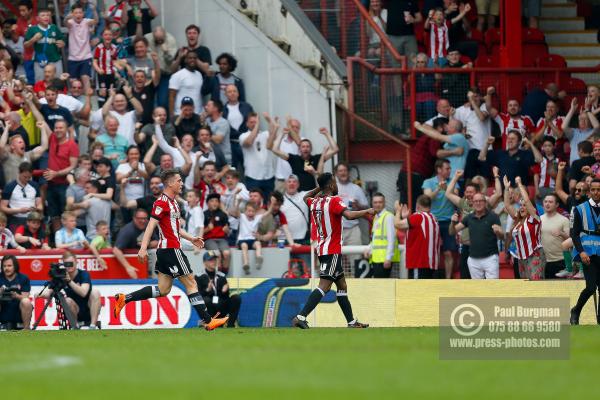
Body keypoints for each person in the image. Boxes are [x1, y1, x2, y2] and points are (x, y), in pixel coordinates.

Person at [113, 169, 228, 330]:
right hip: (171, 250)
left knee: (163, 289)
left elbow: (175, 229)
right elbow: (151, 225)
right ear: (170, 183)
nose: (182, 184)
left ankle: (124, 299)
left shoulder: (174, 203)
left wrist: (192, 238)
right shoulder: (161, 202)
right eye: (179, 181)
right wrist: (143, 248)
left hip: (167, 250)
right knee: (191, 283)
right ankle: (208, 321)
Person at [292, 173, 373, 329]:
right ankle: (300, 317)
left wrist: (320, 187)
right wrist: (366, 211)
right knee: (325, 286)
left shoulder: (315, 202)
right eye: (334, 183)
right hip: (332, 250)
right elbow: (349, 215)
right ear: (330, 185)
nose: (337, 185)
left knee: (342, 285)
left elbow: (305, 197)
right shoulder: (334, 201)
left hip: (323, 249)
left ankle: (351, 322)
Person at [39, 251, 101, 329]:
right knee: (67, 300)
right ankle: (75, 326)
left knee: (95, 293)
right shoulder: (61, 276)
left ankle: (93, 326)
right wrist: (39, 294)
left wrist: (69, 281)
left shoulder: (83, 274)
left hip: (89, 309)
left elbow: (84, 293)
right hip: (74, 311)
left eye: (71, 263)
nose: (69, 266)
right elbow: (49, 293)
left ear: (76, 262)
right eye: (66, 264)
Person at [450, 192, 504, 279]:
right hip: (473, 259)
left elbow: (502, 237)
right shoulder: (468, 218)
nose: (478, 203)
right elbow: (452, 231)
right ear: (473, 203)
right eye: (476, 201)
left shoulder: (493, 217)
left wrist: (498, 232)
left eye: (480, 201)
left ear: (485, 202)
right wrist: (452, 222)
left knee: (493, 289)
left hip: (490, 258)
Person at [569, 178, 600, 325]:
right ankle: (576, 310)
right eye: (593, 189)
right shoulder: (580, 208)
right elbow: (574, 234)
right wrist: (581, 252)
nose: (596, 192)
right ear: (589, 192)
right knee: (590, 287)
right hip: (587, 252)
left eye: (599, 190)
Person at [269, 127, 338, 191]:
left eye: (308, 146)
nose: (305, 149)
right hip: (297, 194)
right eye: (303, 147)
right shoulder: (294, 158)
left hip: (312, 193)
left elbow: (335, 149)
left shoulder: (317, 158)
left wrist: (327, 134)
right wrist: (282, 134)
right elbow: (275, 150)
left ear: (311, 149)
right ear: (299, 149)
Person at [503, 176, 545, 280]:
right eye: (520, 205)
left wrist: (519, 184)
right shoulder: (517, 220)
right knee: (526, 288)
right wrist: (506, 189)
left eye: (524, 205)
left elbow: (526, 200)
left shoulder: (534, 219)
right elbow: (507, 205)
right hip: (520, 257)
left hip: (535, 256)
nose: (522, 207)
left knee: (536, 287)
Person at [422, 159, 457, 278]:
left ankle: (448, 280)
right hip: (432, 222)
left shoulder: (452, 182)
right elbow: (426, 199)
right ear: (439, 169)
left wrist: (448, 188)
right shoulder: (428, 182)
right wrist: (438, 189)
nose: (449, 171)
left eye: (449, 168)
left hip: (448, 222)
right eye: (447, 168)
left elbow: (457, 198)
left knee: (448, 253)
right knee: (432, 252)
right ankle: (432, 277)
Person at [394, 195, 440, 278]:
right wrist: (405, 218)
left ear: (417, 205)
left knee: (417, 289)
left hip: (419, 263)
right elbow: (415, 232)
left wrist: (398, 211)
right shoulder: (433, 218)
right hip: (430, 263)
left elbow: (397, 224)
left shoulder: (418, 217)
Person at [195, 251, 242, 327]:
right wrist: (207, 290)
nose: (213, 262)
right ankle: (209, 322)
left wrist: (224, 291)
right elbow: (198, 296)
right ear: (205, 262)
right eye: (211, 260)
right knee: (206, 300)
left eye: (215, 260)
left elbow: (225, 297)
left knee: (236, 298)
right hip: (209, 308)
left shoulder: (221, 275)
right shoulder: (199, 277)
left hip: (221, 305)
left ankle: (230, 324)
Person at [455, 87, 491, 179]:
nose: (474, 99)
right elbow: (463, 130)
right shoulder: (465, 111)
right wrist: (465, 136)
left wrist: (472, 102)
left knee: (485, 179)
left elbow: (482, 118)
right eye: (471, 97)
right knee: (469, 179)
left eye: (476, 96)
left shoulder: (484, 107)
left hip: (486, 149)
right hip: (471, 151)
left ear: (480, 97)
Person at [240, 112, 277, 196]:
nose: (254, 124)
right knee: (254, 203)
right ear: (247, 124)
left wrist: (269, 121)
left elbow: (273, 136)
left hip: (268, 176)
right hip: (253, 176)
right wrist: (257, 125)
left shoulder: (264, 134)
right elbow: (249, 142)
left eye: (255, 122)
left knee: (269, 202)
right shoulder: (243, 136)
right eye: (252, 122)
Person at [24, 8, 65, 81]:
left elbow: (62, 39)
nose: (46, 17)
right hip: (40, 61)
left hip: (55, 59)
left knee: (58, 82)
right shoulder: (33, 29)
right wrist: (33, 39)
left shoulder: (54, 27)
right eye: (43, 15)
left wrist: (62, 43)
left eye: (48, 15)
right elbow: (25, 45)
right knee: (40, 82)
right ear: (37, 18)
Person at [364, 193, 399, 278]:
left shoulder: (388, 217)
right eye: (375, 202)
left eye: (380, 202)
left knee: (382, 288)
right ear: (372, 203)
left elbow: (392, 239)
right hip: (376, 259)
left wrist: (388, 258)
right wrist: (369, 249)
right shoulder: (377, 217)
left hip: (384, 260)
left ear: (384, 203)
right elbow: (375, 239)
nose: (377, 204)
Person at [64, 2, 97, 91]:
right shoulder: (70, 22)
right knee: (73, 82)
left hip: (86, 56)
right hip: (73, 58)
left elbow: (96, 21)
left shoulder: (86, 21)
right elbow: (65, 23)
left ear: (83, 13)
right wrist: (68, 17)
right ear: (72, 14)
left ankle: (88, 101)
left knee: (85, 78)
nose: (78, 15)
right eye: (76, 13)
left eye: (80, 12)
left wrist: (94, 10)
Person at [0, 161, 43, 229]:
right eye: (24, 177)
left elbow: (40, 205)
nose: (27, 179)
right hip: (15, 219)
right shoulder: (10, 186)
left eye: (29, 177)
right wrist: (19, 210)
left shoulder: (35, 186)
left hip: (32, 218)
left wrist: (37, 209)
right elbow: (2, 207)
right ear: (19, 173)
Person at [538, 193, 571, 279]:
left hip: (560, 261)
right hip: (544, 261)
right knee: (547, 290)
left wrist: (561, 233)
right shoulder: (539, 219)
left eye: (550, 202)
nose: (547, 204)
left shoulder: (564, 220)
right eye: (545, 202)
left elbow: (571, 240)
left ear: (557, 205)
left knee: (560, 290)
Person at [563, 98, 600, 165]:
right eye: (580, 119)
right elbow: (563, 127)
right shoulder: (574, 132)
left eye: (585, 119)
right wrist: (572, 110)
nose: (582, 121)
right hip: (574, 167)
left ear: (590, 121)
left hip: (588, 167)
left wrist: (588, 111)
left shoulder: (593, 132)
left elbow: (597, 126)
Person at [0, 255, 33, 330]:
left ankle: (26, 329)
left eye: (9, 266)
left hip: (17, 311)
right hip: (2, 309)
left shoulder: (23, 278)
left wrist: (16, 296)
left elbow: (26, 297)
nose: (6, 268)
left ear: (15, 266)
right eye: (4, 266)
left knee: (26, 302)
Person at [230, 201, 263, 275]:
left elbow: (267, 213)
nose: (251, 213)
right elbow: (236, 211)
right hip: (242, 240)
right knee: (244, 246)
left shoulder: (257, 218)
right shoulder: (242, 216)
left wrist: (272, 205)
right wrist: (238, 203)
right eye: (249, 211)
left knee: (258, 243)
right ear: (245, 211)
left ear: (255, 212)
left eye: (253, 211)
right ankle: (246, 264)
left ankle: (259, 258)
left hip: (252, 240)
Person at [203, 193, 231, 274]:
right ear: (207, 203)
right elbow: (199, 233)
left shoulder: (223, 214)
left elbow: (228, 231)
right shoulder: (203, 214)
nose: (214, 203)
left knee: (226, 253)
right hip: (209, 240)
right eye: (212, 201)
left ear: (219, 203)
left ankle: (224, 274)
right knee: (217, 254)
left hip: (222, 239)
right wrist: (208, 229)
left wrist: (227, 230)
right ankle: (218, 274)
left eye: (216, 201)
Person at [169, 51, 203, 117]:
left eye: (194, 58)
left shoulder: (199, 74)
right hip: (181, 114)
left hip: (197, 114)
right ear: (185, 60)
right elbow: (171, 96)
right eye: (190, 58)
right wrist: (171, 115)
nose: (192, 60)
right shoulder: (178, 75)